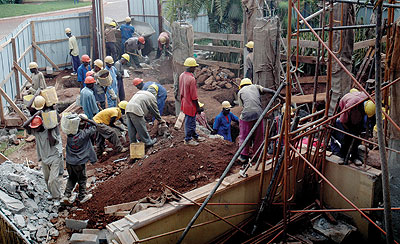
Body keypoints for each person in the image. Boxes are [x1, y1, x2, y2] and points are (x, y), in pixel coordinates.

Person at [23, 112, 63, 206]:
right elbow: (25, 125)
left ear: (41, 125)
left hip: (54, 157)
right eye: (34, 128)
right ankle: (52, 193)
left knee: (53, 180)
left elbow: (53, 142)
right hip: (44, 158)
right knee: (46, 178)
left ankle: (57, 197)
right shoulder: (35, 132)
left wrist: (49, 128)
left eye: (36, 127)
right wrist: (34, 115)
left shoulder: (50, 130)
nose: (35, 129)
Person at [237, 78, 277, 163]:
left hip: (247, 116)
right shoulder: (255, 87)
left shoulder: (240, 92)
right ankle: (258, 155)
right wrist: (276, 94)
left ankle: (243, 156)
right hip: (259, 114)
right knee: (259, 136)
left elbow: (243, 106)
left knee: (244, 135)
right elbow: (268, 91)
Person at [331, 91, 376, 165]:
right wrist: (348, 130)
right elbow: (343, 120)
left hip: (357, 117)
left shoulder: (369, 104)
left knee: (356, 139)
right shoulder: (350, 106)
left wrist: (361, 132)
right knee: (346, 138)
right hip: (346, 113)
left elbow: (368, 122)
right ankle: (343, 156)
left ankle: (355, 157)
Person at [62, 114, 97, 205]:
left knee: (72, 178)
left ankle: (66, 195)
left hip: (69, 162)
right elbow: (96, 126)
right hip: (79, 162)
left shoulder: (69, 136)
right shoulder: (83, 135)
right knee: (82, 178)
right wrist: (88, 120)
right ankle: (82, 196)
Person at [180, 57, 205, 146]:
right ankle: (188, 139)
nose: (195, 69)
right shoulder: (191, 79)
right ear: (191, 67)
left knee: (192, 121)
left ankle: (195, 135)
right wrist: (198, 107)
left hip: (184, 101)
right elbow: (194, 96)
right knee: (189, 122)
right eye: (194, 67)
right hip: (190, 104)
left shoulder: (182, 75)